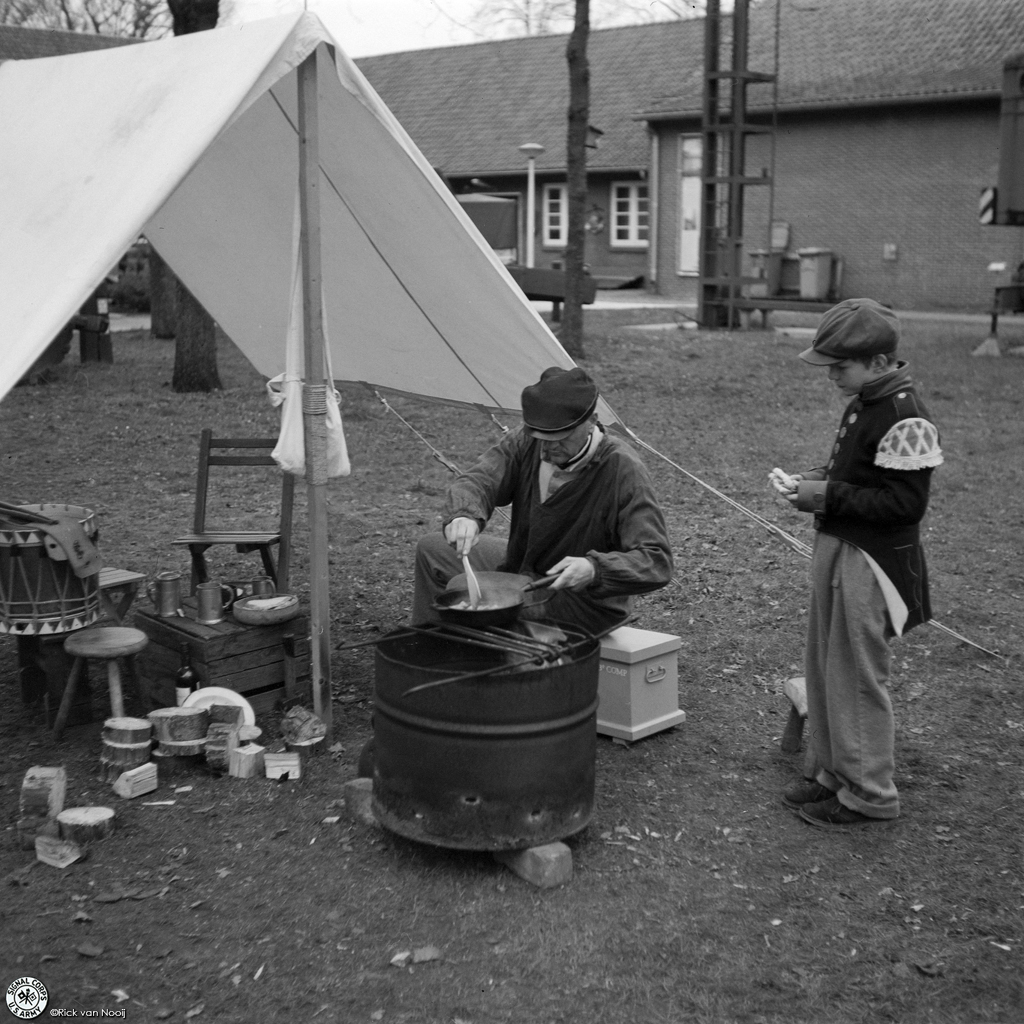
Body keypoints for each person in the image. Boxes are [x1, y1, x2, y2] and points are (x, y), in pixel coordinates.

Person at [771, 298, 943, 829]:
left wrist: (822, 496)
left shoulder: (905, 415)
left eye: (839, 366)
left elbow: (902, 505)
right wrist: (809, 481)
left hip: (873, 562)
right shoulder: (866, 399)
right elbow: (855, 470)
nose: (831, 377)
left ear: (879, 360)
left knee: (856, 676)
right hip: (840, 547)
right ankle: (833, 771)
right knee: (824, 664)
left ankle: (870, 793)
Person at [412, 366, 673, 634]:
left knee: (463, 589)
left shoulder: (621, 468)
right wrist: (464, 514)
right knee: (433, 549)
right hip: (525, 568)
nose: (547, 449)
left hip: (578, 599)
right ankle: (432, 648)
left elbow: (655, 560)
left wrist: (594, 569)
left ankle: (481, 663)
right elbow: (479, 479)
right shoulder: (527, 441)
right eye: (541, 438)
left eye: (560, 438)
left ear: (592, 421)